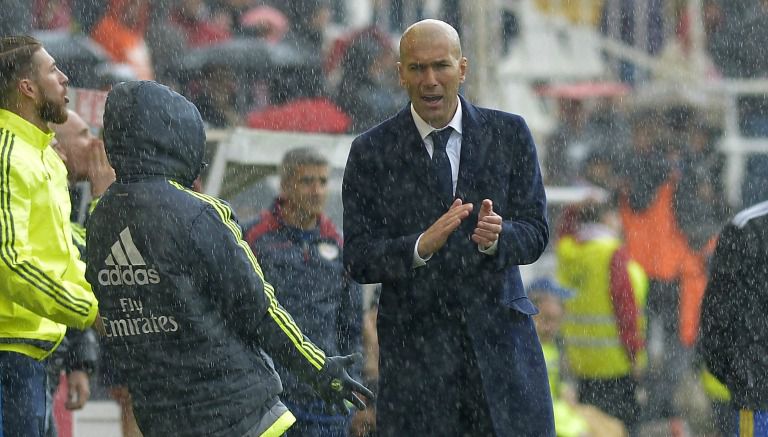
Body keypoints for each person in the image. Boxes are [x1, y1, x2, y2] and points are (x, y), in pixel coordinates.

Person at [84, 80, 372, 437]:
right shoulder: (198, 213)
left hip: (163, 417)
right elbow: (258, 307)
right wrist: (319, 369)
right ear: (174, 136)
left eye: (321, 181)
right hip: (238, 414)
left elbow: (112, 314)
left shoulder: (99, 218)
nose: (316, 191)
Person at [341, 19, 554, 436]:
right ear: (400, 73)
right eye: (417, 68)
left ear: (463, 68)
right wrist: (420, 245)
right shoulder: (370, 151)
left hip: (500, 356)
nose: (430, 80)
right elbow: (359, 258)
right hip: (417, 366)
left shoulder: (510, 134)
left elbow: (535, 231)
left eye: (441, 65)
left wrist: (500, 237)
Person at [0, 35, 99, 437]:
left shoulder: (44, 158)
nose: (64, 78)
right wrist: (93, 312)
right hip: (8, 353)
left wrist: (99, 306)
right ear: (27, 87)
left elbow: (64, 258)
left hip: (35, 354)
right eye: (53, 71)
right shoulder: (6, 155)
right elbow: (10, 261)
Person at [243, 147, 363, 436]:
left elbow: (351, 326)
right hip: (272, 394)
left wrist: (353, 385)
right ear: (285, 185)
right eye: (307, 181)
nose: (317, 190)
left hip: (326, 395)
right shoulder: (251, 238)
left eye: (323, 182)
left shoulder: (341, 245)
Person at [45, 110, 114, 437]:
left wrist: (78, 362)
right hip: (24, 360)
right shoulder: (46, 192)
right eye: (85, 135)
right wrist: (104, 200)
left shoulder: (70, 194)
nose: (96, 143)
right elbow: (85, 267)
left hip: (47, 363)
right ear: (58, 148)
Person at [555, 200, 647, 432]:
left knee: (592, 427)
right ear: (605, 219)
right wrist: (634, 354)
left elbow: (563, 230)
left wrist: (574, 208)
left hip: (581, 362)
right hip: (613, 364)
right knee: (618, 428)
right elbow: (625, 310)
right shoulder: (611, 253)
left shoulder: (568, 253)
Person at [700, 199, 768, 435]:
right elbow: (716, 317)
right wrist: (742, 379)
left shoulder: (749, 228)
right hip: (758, 400)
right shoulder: (746, 229)